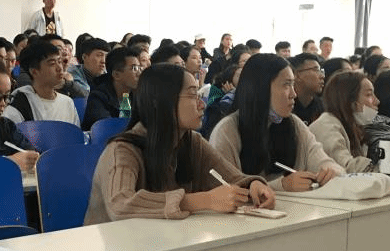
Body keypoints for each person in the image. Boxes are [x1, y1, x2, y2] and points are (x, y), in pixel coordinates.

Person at [85, 64, 274, 224]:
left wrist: (254, 185)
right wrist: (204, 200)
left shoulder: (192, 142)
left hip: (163, 244)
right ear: (160, 102)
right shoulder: (122, 150)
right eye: (192, 95)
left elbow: (233, 178)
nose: (202, 104)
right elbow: (120, 205)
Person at [210, 53, 343, 192]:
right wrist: (281, 185)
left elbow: (323, 161)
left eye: (293, 84)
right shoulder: (227, 131)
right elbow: (225, 191)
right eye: (286, 85)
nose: (293, 94)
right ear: (260, 88)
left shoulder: (293, 123)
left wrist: (331, 172)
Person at [309, 70, 375, 173]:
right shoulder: (326, 127)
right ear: (349, 100)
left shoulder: (354, 126)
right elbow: (346, 168)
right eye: (369, 95)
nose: (376, 101)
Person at [4, 40, 81, 125]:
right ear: (34, 72)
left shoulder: (68, 103)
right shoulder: (21, 103)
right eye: (52, 63)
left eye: (59, 62)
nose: (59, 68)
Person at [83, 47, 141, 130]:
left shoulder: (138, 95)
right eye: (134, 68)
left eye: (139, 68)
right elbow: (108, 128)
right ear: (116, 74)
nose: (139, 73)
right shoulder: (98, 97)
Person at [289, 52, 325, 125]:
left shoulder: (324, 107)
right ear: (297, 75)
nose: (322, 76)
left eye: (321, 71)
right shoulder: (284, 106)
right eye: (316, 70)